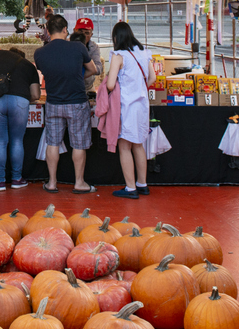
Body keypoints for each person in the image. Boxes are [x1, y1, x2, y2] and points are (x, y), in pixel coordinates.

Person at [33, 13, 98, 193]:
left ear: (47, 31)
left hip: (53, 102)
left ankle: (52, 183)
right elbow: (93, 69)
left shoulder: (40, 53)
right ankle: (79, 183)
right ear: (65, 30)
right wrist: (77, 76)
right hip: (77, 102)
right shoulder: (78, 47)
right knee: (78, 144)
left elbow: (46, 72)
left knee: (52, 143)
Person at [104, 21, 155, 199]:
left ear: (116, 38)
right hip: (142, 106)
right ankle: (142, 184)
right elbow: (152, 78)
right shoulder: (144, 52)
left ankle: (130, 187)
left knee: (124, 147)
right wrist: (139, 89)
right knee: (138, 144)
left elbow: (110, 84)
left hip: (126, 106)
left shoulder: (118, 56)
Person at [0, 46, 40, 190]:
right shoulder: (29, 66)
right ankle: (17, 179)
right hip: (19, 101)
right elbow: (35, 95)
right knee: (17, 141)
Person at [72, 18, 103, 100]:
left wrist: (88, 67)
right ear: (74, 30)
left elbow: (99, 68)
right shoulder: (66, 44)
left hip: (88, 88)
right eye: (80, 32)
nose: (83, 36)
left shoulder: (94, 47)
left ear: (91, 34)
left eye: (86, 33)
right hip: (70, 87)